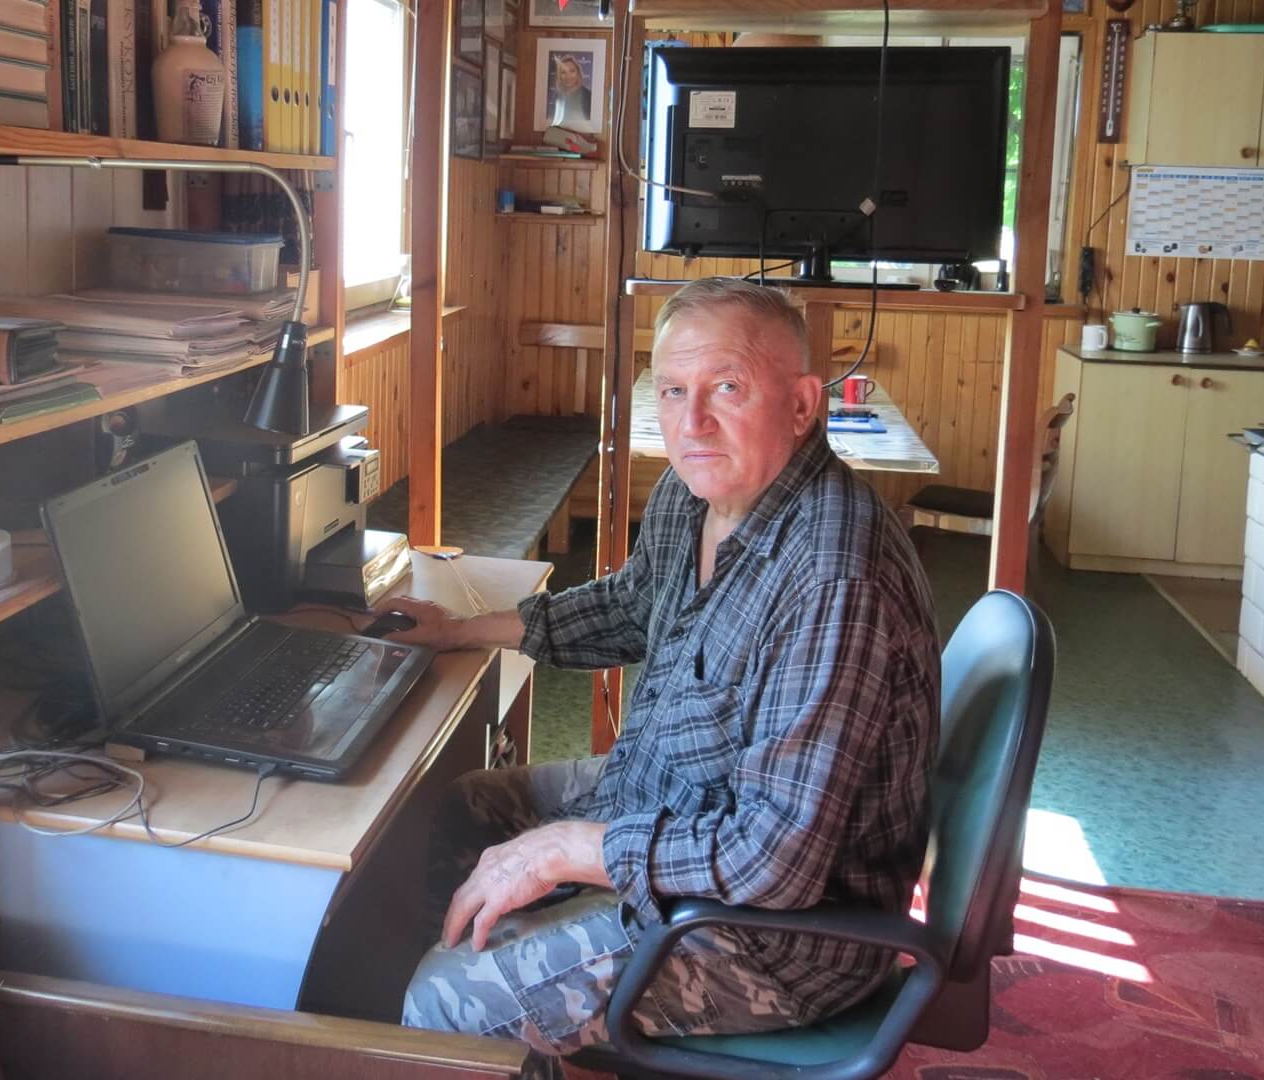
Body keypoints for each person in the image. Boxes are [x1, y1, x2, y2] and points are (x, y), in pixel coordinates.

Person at [389, 277, 941, 1063]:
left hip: (770, 937)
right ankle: (518, 1020)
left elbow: (772, 860)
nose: (693, 422)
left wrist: (568, 849)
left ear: (801, 404)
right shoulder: (697, 497)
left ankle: (479, 1021)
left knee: (441, 1002)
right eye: (675, 390)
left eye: (727, 388)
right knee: (462, 810)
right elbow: (629, 606)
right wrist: (460, 631)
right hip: (671, 796)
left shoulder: (835, 576)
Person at [548, 53, 592, 129]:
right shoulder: (557, 96)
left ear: (578, 73)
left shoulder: (588, 96)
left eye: (572, 71)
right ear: (559, 76)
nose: (568, 76)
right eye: (563, 72)